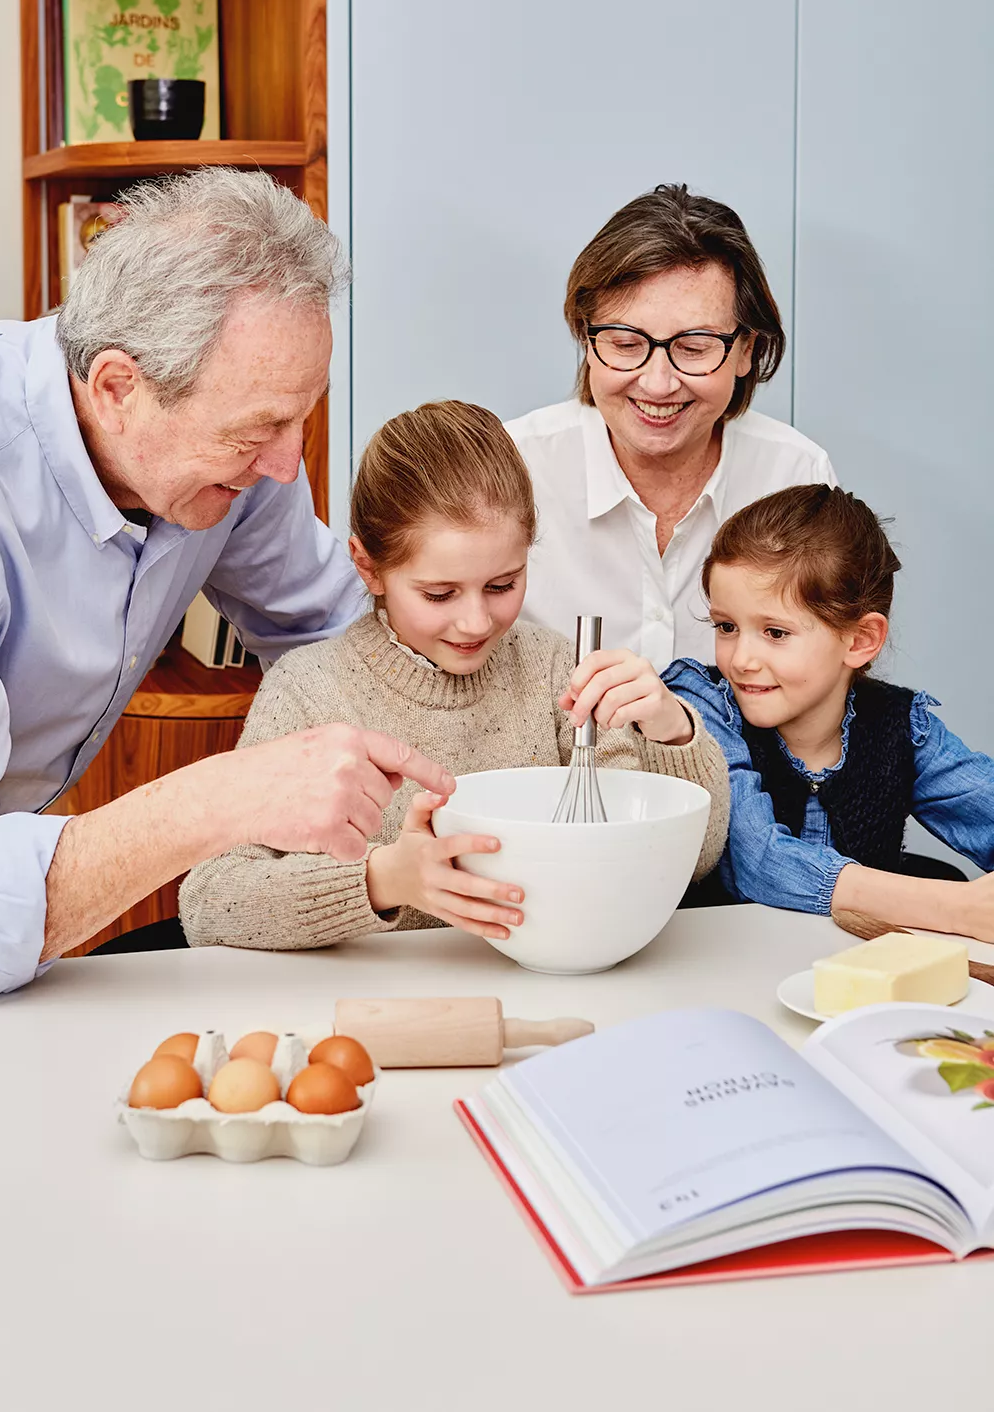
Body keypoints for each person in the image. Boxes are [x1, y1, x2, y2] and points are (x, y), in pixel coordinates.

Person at [0, 169, 454, 1004]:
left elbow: (344, 642)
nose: (286, 465)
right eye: (258, 430)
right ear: (119, 388)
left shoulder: (233, 458)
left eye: (301, 415)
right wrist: (222, 799)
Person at [179, 401, 729, 951]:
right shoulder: (307, 692)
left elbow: (695, 863)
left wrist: (672, 730)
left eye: (503, 584)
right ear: (367, 566)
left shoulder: (557, 672)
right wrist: (383, 879)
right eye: (439, 594)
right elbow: (210, 901)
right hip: (372, 1010)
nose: (475, 621)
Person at [507, 183, 835, 669]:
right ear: (586, 336)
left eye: (695, 347)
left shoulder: (793, 474)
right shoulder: (511, 468)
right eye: (624, 343)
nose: (658, 384)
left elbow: (822, 685)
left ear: (747, 350)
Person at [663, 485, 994, 937]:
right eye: (726, 626)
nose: (741, 659)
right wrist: (953, 907)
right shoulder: (702, 707)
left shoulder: (903, 728)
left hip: (857, 981)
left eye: (775, 633)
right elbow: (759, 862)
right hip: (721, 974)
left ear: (859, 640)